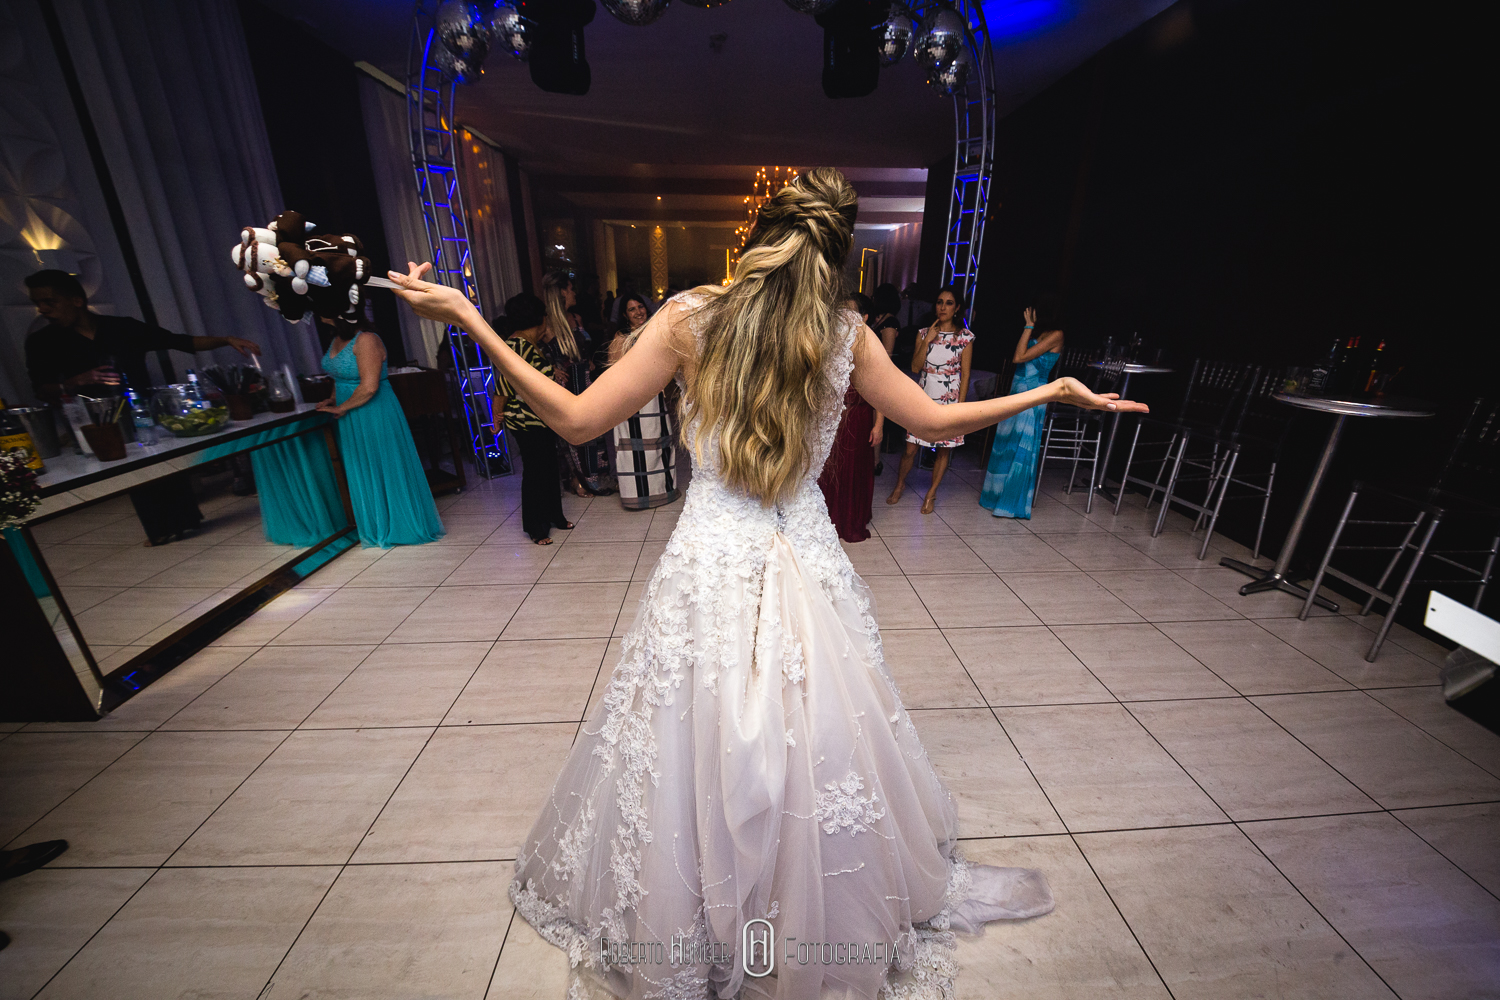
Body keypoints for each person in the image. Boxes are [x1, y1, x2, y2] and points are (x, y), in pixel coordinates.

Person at [387, 166, 1145, 1000]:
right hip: (803, 551)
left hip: (711, 553)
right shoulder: (847, 332)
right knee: (813, 723)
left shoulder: (692, 316)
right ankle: (804, 901)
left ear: (759, 236)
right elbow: (931, 424)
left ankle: (704, 908)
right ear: (836, 251)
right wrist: (1052, 392)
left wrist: (469, 318)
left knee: (696, 727)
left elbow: (573, 418)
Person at [23, 269, 261, 545]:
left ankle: (185, 522)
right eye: (38, 303)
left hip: (142, 410)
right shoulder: (42, 342)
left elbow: (179, 341)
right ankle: (160, 530)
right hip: (96, 423)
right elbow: (41, 389)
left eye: (49, 302)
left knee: (161, 463)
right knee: (134, 476)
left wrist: (226, 340)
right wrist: (75, 382)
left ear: (76, 300)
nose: (42, 309)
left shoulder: (121, 328)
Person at [317, 321, 444, 547]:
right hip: (349, 411)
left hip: (373, 410)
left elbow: (369, 386)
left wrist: (341, 407)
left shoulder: (366, 339)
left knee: (385, 462)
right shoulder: (337, 338)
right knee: (362, 465)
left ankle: (400, 526)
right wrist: (333, 398)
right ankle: (376, 524)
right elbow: (340, 375)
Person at [886, 287, 974, 514]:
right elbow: (915, 367)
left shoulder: (965, 338)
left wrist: (961, 407)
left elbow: (965, 375)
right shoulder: (924, 333)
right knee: (910, 449)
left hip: (949, 400)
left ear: (957, 308)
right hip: (923, 398)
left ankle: (931, 493)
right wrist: (928, 341)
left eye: (949, 303)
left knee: (943, 450)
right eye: (939, 302)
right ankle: (899, 484)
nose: (943, 307)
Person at [495, 292, 573, 544]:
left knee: (548, 468)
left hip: (540, 418)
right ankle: (536, 527)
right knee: (535, 472)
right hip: (526, 420)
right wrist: (496, 416)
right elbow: (504, 385)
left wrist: (553, 370)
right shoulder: (516, 345)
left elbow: (535, 374)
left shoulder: (528, 344)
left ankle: (554, 516)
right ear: (539, 318)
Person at [981, 298, 1066, 518]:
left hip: (1034, 395)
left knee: (1021, 447)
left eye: (1034, 309)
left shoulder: (1056, 334)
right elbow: (1017, 357)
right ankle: (995, 496)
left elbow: (1019, 357)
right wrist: (1029, 329)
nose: (1030, 311)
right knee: (1005, 444)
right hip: (1016, 392)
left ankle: (1010, 503)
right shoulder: (1038, 333)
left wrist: (1028, 326)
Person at [542, 271, 614, 497]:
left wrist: (589, 360)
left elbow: (583, 347)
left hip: (585, 380)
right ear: (562, 292)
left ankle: (598, 476)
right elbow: (533, 353)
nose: (574, 293)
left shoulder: (576, 318)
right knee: (573, 433)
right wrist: (551, 369)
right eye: (571, 289)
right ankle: (577, 479)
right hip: (567, 386)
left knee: (594, 429)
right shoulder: (546, 323)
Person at [818, 292, 883, 542]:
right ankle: (828, 515)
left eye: (849, 311)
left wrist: (878, 424)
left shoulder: (871, 348)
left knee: (854, 469)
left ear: (864, 317)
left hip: (858, 415)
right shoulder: (832, 342)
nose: (843, 316)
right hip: (832, 414)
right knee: (830, 468)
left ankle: (851, 516)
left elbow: (881, 392)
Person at [608, 293, 679, 510]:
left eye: (640, 307)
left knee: (658, 446)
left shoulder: (654, 332)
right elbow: (613, 373)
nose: (638, 312)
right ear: (624, 315)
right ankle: (636, 497)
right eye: (632, 309)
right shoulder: (621, 338)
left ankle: (662, 492)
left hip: (654, 399)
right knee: (635, 452)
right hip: (630, 402)